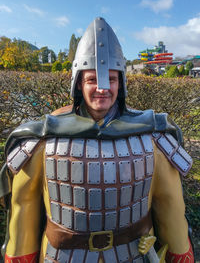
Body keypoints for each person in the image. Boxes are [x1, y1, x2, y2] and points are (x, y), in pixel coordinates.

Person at [1, 17, 194, 263]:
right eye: (93, 80)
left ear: (121, 83)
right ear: (79, 83)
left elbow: (172, 213)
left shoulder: (152, 138)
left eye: (111, 79)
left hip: (134, 256)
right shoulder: (43, 140)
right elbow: (22, 212)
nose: (102, 88)